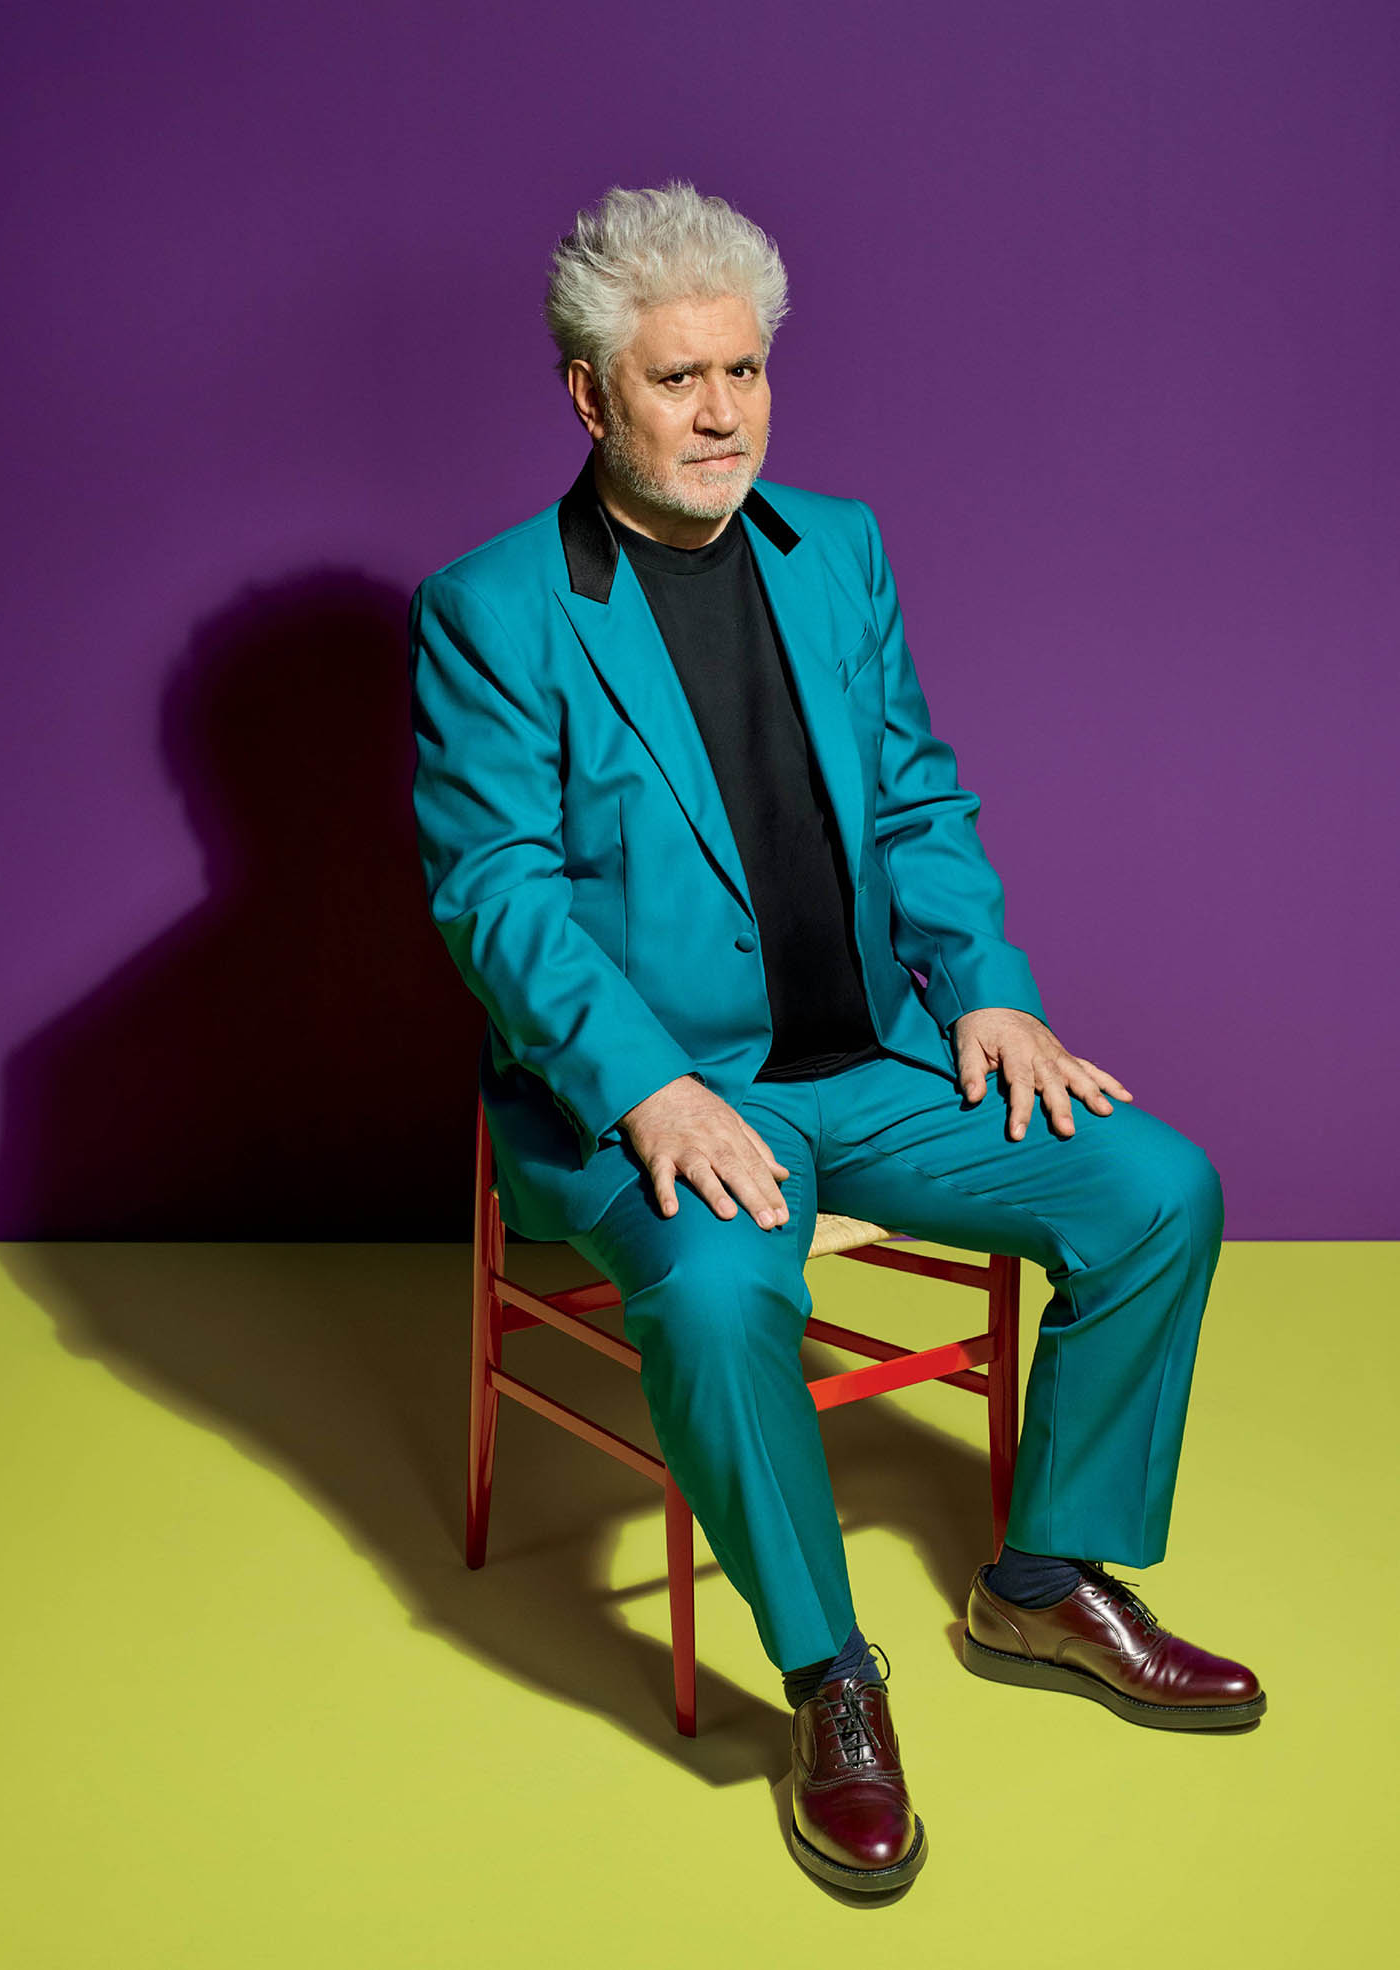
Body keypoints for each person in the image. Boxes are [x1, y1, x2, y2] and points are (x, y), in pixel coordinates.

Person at [407, 179, 1265, 1896]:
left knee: (1159, 1185)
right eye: (676, 379)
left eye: (743, 371)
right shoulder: (495, 610)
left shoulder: (840, 550)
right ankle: (832, 1678)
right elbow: (494, 893)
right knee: (724, 1289)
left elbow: (923, 798)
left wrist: (990, 986)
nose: (721, 410)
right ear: (591, 396)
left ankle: (1045, 1583)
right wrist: (643, 1081)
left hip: (868, 1060)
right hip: (657, 1094)